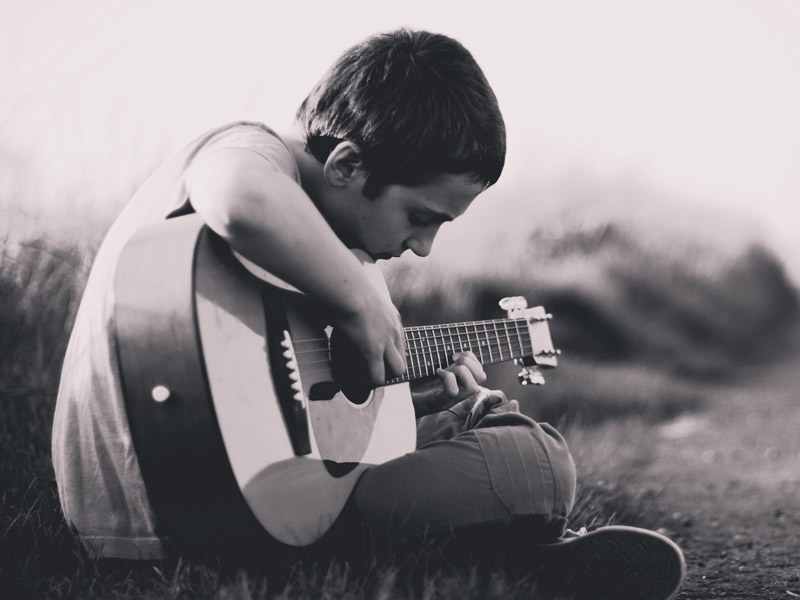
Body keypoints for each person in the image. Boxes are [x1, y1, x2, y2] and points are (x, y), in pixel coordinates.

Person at [52, 29, 686, 599]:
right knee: (538, 460)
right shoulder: (246, 152)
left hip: (209, 502)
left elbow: (273, 404)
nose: (423, 247)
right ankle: (506, 549)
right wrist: (362, 302)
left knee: (473, 417)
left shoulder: (305, 242)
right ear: (347, 164)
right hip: (187, 514)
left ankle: (496, 552)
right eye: (421, 217)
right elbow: (241, 200)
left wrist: (402, 406)